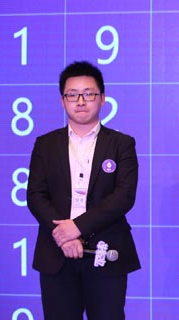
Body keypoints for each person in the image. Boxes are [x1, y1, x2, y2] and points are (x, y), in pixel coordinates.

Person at [27, 61, 140, 320]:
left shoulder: (122, 144)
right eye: (72, 94)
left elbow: (124, 196)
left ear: (102, 98)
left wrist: (76, 227)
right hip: (57, 253)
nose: (80, 101)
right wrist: (64, 236)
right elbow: (35, 195)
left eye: (88, 94)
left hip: (106, 252)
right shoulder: (45, 144)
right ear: (62, 100)